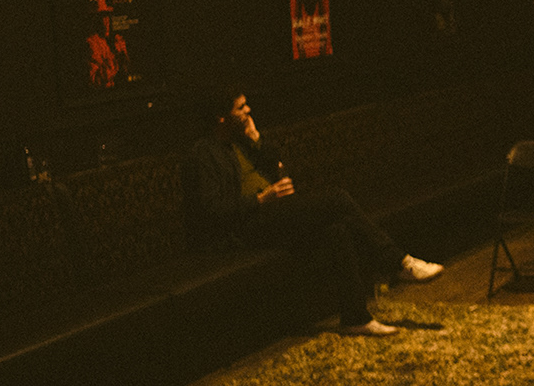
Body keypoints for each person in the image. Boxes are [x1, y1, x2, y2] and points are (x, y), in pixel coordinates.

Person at [185, 89, 444, 335]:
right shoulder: (204, 153)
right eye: (240, 107)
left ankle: (356, 319)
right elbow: (212, 210)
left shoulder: (242, 141)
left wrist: (257, 140)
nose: (248, 110)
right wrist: (262, 199)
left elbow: (278, 168)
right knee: (338, 199)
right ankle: (399, 262)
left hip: (272, 213)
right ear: (221, 117)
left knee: (336, 230)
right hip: (242, 228)